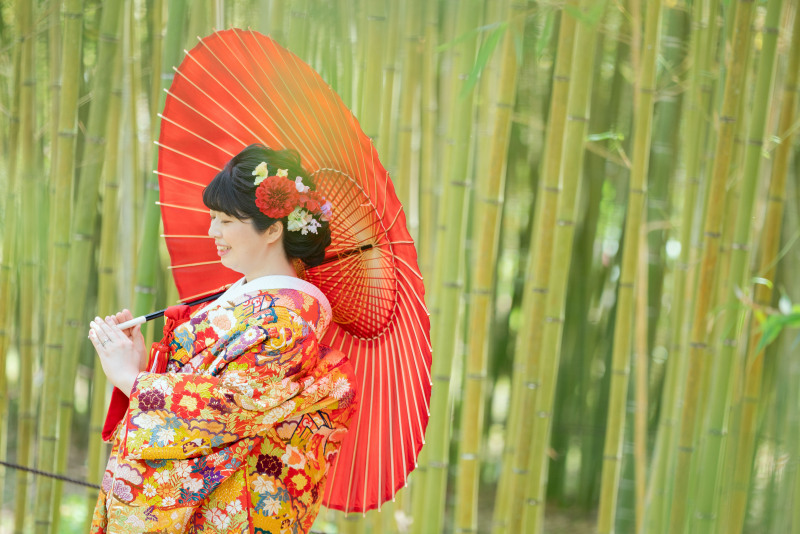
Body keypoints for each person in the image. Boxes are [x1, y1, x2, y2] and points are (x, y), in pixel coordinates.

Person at [88, 144, 356, 533]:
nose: (213, 231)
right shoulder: (248, 296)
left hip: (230, 506)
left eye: (226, 220)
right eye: (213, 218)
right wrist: (146, 364)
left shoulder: (289, 320)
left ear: (274, 229)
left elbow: (229, 409)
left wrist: (132, 380)